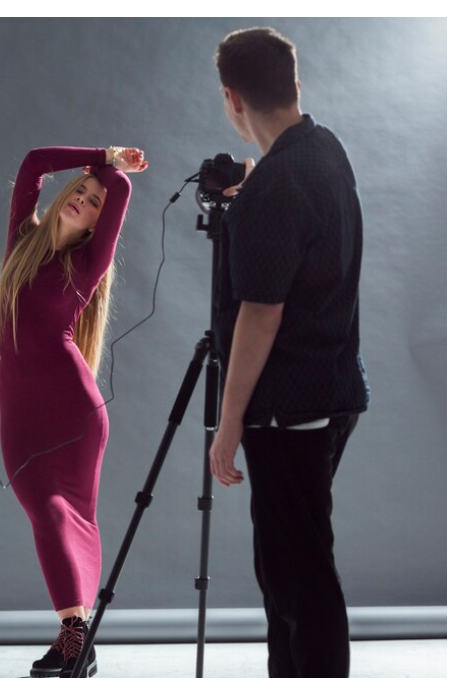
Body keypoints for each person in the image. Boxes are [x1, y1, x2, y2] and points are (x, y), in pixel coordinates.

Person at [208, 28, 370, 677]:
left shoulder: (274, 188)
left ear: (231, 98)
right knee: (291, 567)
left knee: (298, 576)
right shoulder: (326, 149)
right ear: (294, 84)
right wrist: (255, 200)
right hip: (334, 391)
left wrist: (227, 424)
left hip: (288, 408)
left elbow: (262, 314)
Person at [0, 146, 147, 677]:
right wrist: (98, 156)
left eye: (92, 202)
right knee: (48, 515)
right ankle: (78, 636)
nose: (83, 199)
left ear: (97, 225)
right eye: (79, 192)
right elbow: (32, 161)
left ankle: (73, 636)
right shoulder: (21, 241)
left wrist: (108, 171)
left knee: (67, 517)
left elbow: (121, 190)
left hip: (73, 412)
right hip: (20, 412)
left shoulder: (86, 264)